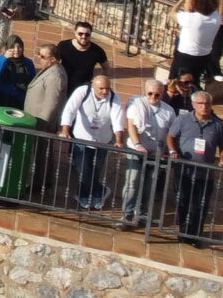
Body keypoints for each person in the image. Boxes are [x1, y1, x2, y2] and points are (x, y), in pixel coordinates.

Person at [167, 90, 223, 246]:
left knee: (200, 205)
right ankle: (184, 232)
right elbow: (171, 136)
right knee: (183, 201)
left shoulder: (217, 125)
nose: (204, 107)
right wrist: (173, 151)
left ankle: (196, 235)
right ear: (194, 105)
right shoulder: (183, 120)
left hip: (205, 173)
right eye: (201, 104)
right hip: (185, 170)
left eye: (207, 104)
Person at [60, 70, 124, 211]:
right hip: (82, 138)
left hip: (102, 141)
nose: (104, 91)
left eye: (107, 88)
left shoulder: (114, 98)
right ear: (93, 86)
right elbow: (69, 110)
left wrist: (119, 139)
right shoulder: (83, 92)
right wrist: (65, 130)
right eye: (101, 88)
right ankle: (91, 193)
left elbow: (118, 120)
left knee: (95, 170)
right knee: (82, 168)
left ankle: (91, 193)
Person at [120, 76, 177, 230]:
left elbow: (170, 134)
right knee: (133, 181)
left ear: (162, 94)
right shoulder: (136, 103)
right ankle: (127, 214)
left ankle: (144, 213)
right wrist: (138, 144)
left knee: (150, 184)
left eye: (157, 94)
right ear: (145, 93)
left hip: (156, 152)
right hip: (136, 149)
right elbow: (131, 125)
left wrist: (169, 150)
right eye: (150, 94)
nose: (153, 97)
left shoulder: (169, 111)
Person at [170, 0, 223, 85]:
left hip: (185, 55)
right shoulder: (217, 18)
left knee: (175, 81)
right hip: (204, 56)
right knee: (194, 82)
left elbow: (172, 13)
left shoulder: (190, 18)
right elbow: (209, 9)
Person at [54, 21, 108, 95]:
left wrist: (95, 83)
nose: (83, 37)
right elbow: (54, 62)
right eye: (80, 34)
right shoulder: (63, 46)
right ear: (75, 33)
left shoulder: (97, 51)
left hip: (83, 89)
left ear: (90, 34)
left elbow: (106, 68)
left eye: (87, 34)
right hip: (63, 85)